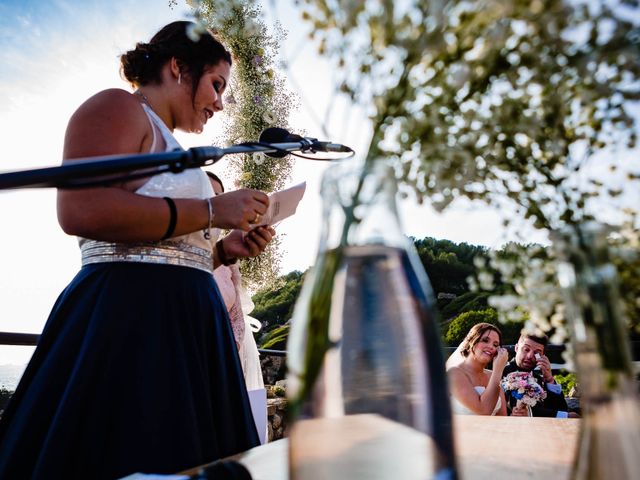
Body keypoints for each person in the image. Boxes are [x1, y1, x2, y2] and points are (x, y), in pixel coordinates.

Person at [0, 21, 277, 479]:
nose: (220, 102)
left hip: (190, 329)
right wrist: (211, 210)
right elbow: (81, 209)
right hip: (131, 321)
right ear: (177, 67)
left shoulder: (171, 145)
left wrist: (224, 250)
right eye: (216, 84)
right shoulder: (116, 107)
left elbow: (162, 253)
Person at [208, 172, 268, 443]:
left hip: (226, 362)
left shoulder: (229, 262)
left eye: (221, 196)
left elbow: (237, 318)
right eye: (209, 196)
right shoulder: (178, 251)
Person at [502, 333, 578, 418]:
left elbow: (561, 408)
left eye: (536, 353)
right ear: (516, 348)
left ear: (542, 356)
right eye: (526, 349)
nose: (530, 356)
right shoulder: (503, 373)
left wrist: (549, 379)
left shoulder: (538, 378)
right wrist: (564, 416)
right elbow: (521, 410)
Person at [446, 322, 509, 416]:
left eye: (495, 345)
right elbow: (484, 411)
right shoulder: (454, 373)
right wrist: (498, 370)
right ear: (471, 341)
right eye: (485, 340)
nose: (491, 347)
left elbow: (503, 418)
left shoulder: (493, 375)